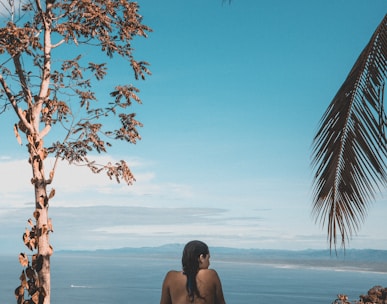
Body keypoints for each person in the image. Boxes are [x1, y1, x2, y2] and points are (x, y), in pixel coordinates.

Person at [160, 240, 226, 304]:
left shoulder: (171, 277)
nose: (209, 263)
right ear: (201, 257)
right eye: (208, 259)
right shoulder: (210, 274)